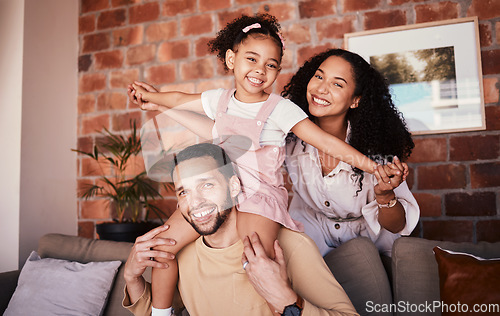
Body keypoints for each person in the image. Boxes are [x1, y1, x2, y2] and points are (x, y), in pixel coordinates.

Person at [127, 14, 380, 314]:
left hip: (258, 196)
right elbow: (183, 99)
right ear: (231, 60)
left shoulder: (280, 109)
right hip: (219, 192)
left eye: (271, 65)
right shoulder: (219, 101)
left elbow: (325, 142)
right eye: (251, 59)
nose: (260, 70)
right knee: (162, 246)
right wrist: (154, 99)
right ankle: (160, 312)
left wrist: (375, 168)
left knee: (255, 260)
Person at [122, 143, 359, 316]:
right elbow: (159, 312)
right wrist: (132, 277)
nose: (195, 201)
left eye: (206, 184)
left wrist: (288, 301)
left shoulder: (288, 246)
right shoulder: (184, 255)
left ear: (233, 186)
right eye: (184, 192)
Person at [282, 48, 420, 258]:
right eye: (319, 76)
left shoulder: (378, 152)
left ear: (355, 100)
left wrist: (384, 195)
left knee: (361, 257)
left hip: (370, 249)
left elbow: (397, 225)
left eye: (337, 84)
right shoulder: (288, 139)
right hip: (311, 240)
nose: (321, 88)